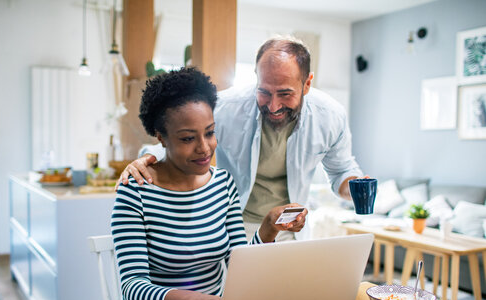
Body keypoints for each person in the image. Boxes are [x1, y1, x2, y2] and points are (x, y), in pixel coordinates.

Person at [103, 67, 306, 300]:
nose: (204, 148)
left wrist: (268, 228)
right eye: (187, 138)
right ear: (160, 137)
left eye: (210, 132)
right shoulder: (136, 191)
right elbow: (132, 290)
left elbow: (240, 265)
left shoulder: (222, 185)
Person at [117, 36, 364, 241]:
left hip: (293, 230)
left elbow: (342, 171)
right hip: (233, 225)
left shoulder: (330, 116)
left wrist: (357, 189)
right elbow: (184, 140)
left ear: (307, 84)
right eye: (264, 91)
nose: (274, 105)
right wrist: (146, 160)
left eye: (285, 94)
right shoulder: (226, 107)